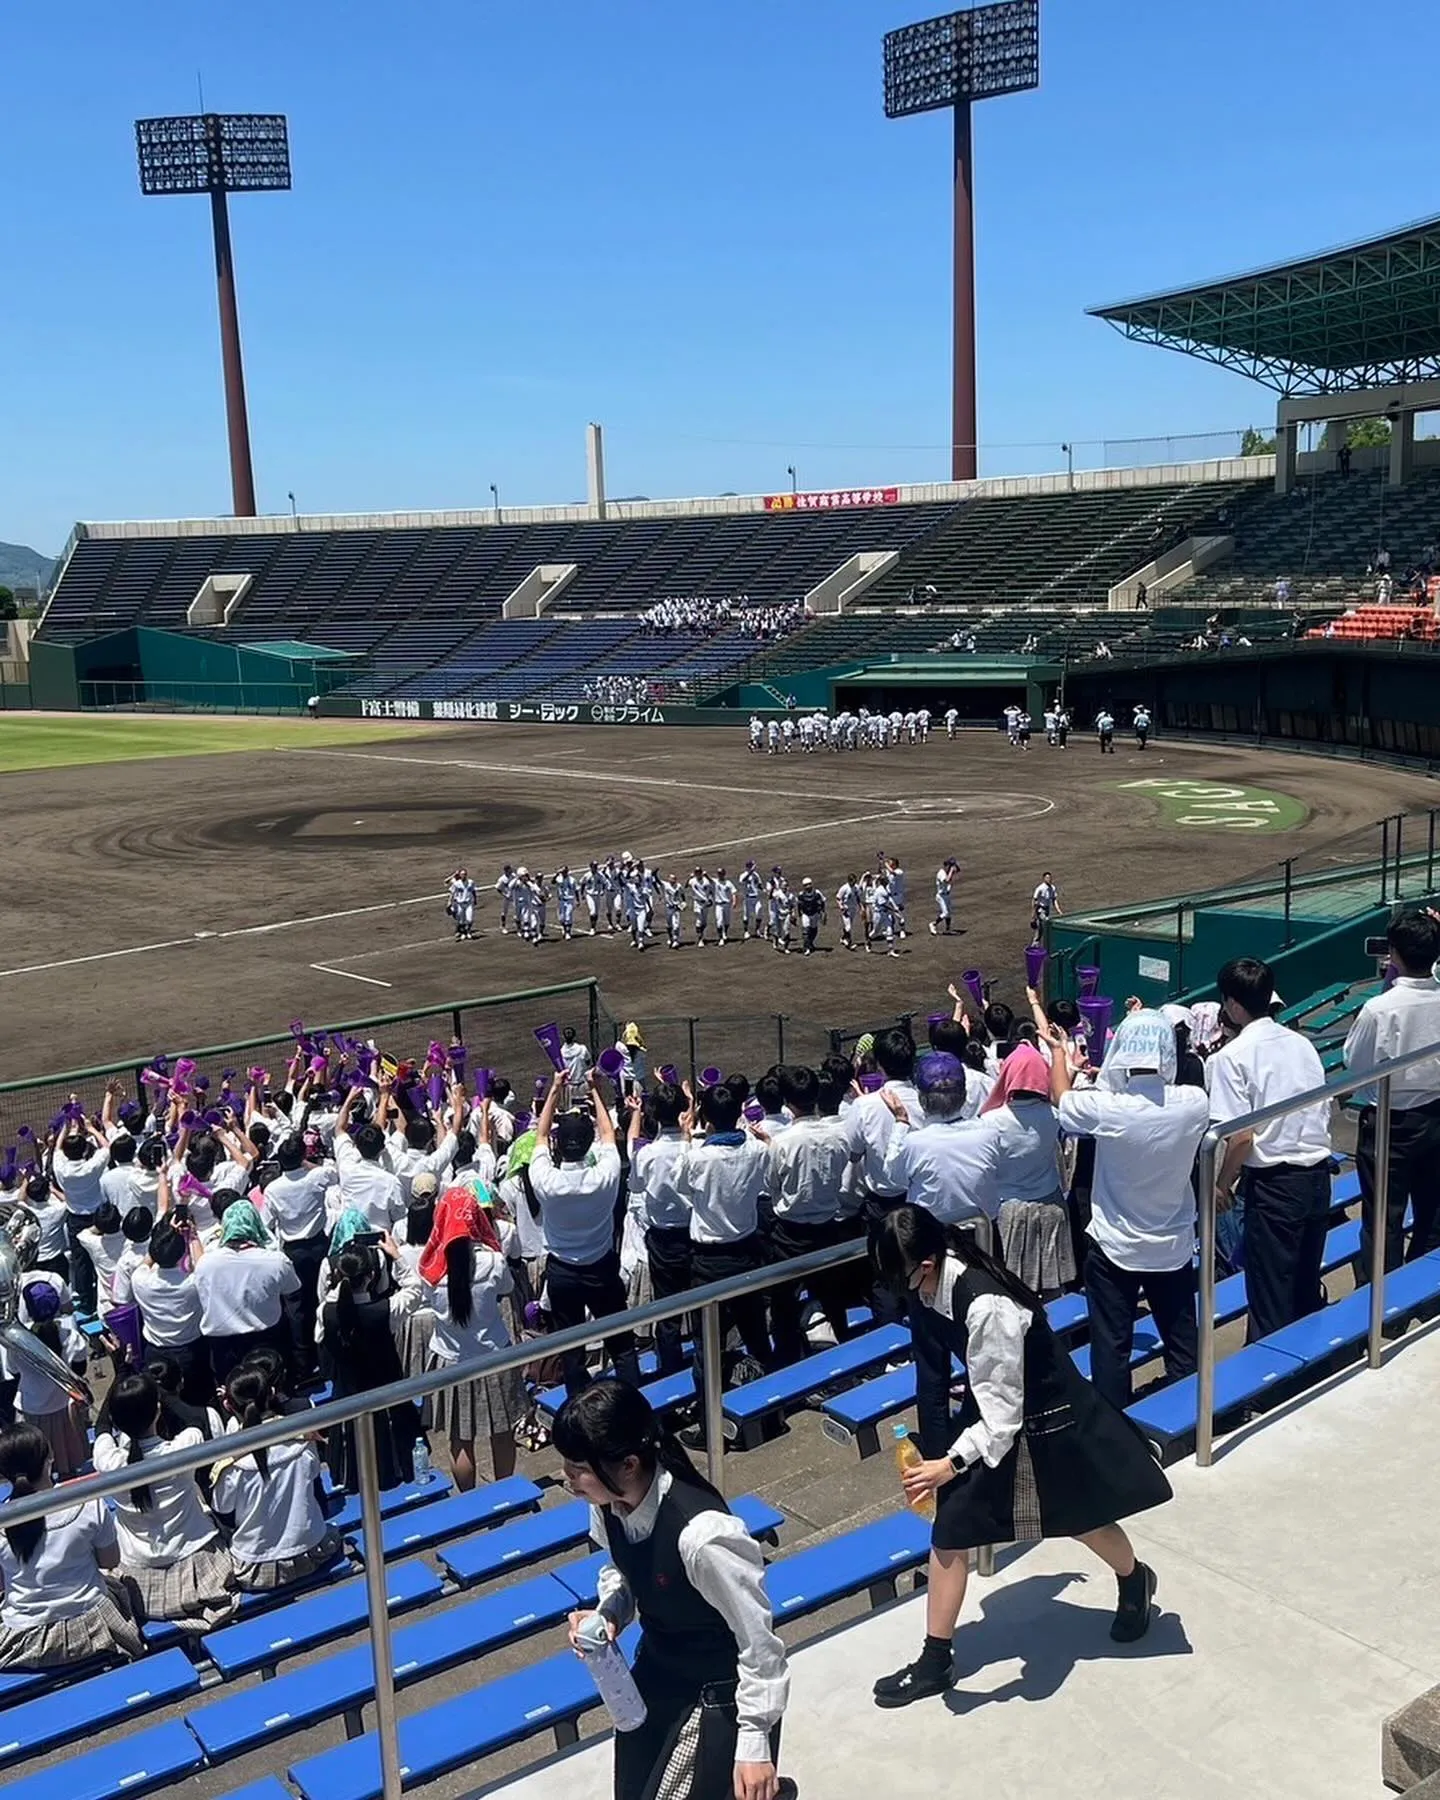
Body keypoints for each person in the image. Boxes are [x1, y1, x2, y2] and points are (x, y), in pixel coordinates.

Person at [867, 1206, 1172, 1708]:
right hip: (995, 1416)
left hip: (1049, 1416)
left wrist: (949, 1464)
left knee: (1080, 1519)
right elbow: (940, 1377)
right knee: (951, 1529)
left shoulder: (985, 1307)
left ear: (925, 1263)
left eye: (896, 1276)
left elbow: (1002, 1422)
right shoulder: (929, 1286)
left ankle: (1134, 1578)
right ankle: (935, 1660)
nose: (895, 1289)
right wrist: (934, 1450)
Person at [555, 1380, 791, 1800]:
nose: (567, 1478)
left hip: (716, 1693)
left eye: (578, 1467)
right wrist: (609, 1612)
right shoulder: (606, 1506)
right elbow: (622, 1570)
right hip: (657, 1677)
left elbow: (760, 1644)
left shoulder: (703, 1537)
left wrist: (754, 1741)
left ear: (628, 1464)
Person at [1049, 1008, 1210, 1411]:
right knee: (1181, 1341)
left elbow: (1061, 1098)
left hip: (1115, 1246)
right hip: (1170, 1244)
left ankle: (1114, 1424)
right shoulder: (1193, 1102)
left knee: (1111, 1346)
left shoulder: (1109, 1107)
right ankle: (1185, 1415)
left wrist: (1058, 1053)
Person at [1207, 958, 1331, 1338]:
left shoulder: (1233, 1056)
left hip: (1276, 1185)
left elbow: (1241, 1136)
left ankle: (1270, 1392)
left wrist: (1222, 1184)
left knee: (1270, 1297)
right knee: (1304, 1289)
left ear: (1232, 1005)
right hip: (1316, 1176)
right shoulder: (1301, 1044)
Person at [91, 1372, 238, 1633]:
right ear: (157, 1410)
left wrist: (119, 1375)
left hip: (138, 1568)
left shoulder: (108, 1462)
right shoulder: (181, 1449)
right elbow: (194, 1419)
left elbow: (102, 1427)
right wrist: (159, 1392)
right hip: (197, 1557)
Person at [529, 1069, 642, 1396]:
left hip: (563, 1272)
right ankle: (630, 1400)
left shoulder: (546, 1180)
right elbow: (608, 1135)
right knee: (621, 1342)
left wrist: (554, 1090)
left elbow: (539, 1138)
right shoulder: (605, 1175)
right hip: (601, 1266)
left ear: (559, 1146)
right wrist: (594, 1090)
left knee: (572, 1348)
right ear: (587, 1143)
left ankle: (580, 1406)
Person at [0, 1422, 145, 1670]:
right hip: (94, 1625)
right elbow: (109, 1561)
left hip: (25, 1638)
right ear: (50, 1457)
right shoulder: (88, 1503)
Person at [1344, 908, 1440, 1271]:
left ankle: (1383, 1309)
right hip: (1434, 1115)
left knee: (1383, 1220)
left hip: (1389, 1123)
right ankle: (1421, 1291)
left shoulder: (1378, 1009)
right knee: (1431, 1213)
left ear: (1395, 953)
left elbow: (1355, 1063)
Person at [677, 1079, 774, 1415]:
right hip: (746, 1253)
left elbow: (680, 1187)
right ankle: (769, 1407)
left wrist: (686, 1139)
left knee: (707, 1347)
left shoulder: (698, 1159)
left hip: (710, 1260)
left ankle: (708, 1417)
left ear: (709, 1120)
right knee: (756, 1334)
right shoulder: (757, 1150)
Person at [420, 1186, 526, 1487]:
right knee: (502, 1431)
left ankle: (470, 1499)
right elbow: (506, 1289)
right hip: (494, 1354)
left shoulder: (432, 1270)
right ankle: (504, 1491)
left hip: (451, 1359)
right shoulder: (492, 1261)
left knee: (460, 1438)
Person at [212, 1365, 342, 1591]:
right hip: (312, 1550)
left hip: (256, 1568)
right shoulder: (302, 1439)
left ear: (228, 1405)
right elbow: (312, 1473)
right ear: (272, 1393)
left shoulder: (231, 1463)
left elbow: (222, 1507)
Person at [761, 1064, 852, 1363]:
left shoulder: (783, 1142)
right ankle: (840, 1352)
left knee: (784, 1305)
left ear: (788, 1103)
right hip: (827, 1225)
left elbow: (770, 1183)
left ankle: (787, 1361)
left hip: (790, 1231)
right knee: (831, 1297)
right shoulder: (839, 1136)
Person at [321, 1236, 424, 1494]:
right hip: (386, 1392)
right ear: (372, 1275)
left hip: (347, 1394)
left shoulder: (324, 1312)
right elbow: (414, 1288)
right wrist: (396, 1255)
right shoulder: (386, 1309)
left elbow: (319, 1337)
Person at [877, 1053, 1001, 1242]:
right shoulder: (989, 1132)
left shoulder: (915, 1143)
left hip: (934, 1238)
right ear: (964, 1094)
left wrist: (901, 1122)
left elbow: (893, 1178)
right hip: (984, 1234)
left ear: (922, 1099)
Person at [843, 1027, 922, 1322]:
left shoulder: (864, 1105)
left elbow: (852, 1152)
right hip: (919, 1195)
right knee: (920, 1265)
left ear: (879, 1064)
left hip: (884, 1201)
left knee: (885, 1274)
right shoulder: (925, 1097)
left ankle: (891, 1345)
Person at [983, 1045, 1073, 1298]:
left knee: (1012, 1287)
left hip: (1009, 1210)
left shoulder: (991, 1122)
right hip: (1051, 1204)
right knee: (1053, 1282)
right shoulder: (1054, 1115)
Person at [192, 1201, 300, 1383]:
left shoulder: (205, 1263)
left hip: (223, 1346)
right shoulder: (276, 1261)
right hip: (267, 1339)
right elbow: (292, 1290)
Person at [627, 1083, 693, 1377]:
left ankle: (671, 1368)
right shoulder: (694, 1146)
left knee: (667, 1311)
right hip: (693, 1234)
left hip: (663, 1238)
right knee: (700, 1303)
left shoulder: (647, 1154)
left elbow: (637, 1187)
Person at [262, 1134, 339, 1381]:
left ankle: (303, 1362)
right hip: (318, 1246)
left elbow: (267, 1222)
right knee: (323, 1299)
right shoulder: (315, 1176)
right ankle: (326, 1354)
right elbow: (335, 1173)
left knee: (297, 1307)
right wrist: (307, 1163)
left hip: (293, 1251)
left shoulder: (273, 1188)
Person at [116, 1216, 210, 1402]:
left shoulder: (140, 1280)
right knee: (198, 1399)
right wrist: (192, 1236)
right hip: (191, 1349)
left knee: (161, 1401)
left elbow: (146, 1262)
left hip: (155, 1350)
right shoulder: (192, 1283)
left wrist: (161, 1240)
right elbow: (203, 1266)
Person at [794, 878, 826, 955]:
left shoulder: (817, 893)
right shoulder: (801, 895)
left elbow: (823, 901)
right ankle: (806, 948)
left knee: (814, 930)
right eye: (806, 885)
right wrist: (799, 915)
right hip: (806, 914)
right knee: (806, 931)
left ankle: (810, 943)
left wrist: (823, 912)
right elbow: (799, 904)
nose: (808, 886)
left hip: (815, 914)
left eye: (809, 884)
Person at [1031, 871, 1061, 945]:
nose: (1049, 879)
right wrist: (1033, 915)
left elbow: (1054, 900)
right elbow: (1034, 901)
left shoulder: (1052, 888)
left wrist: (1059, 911)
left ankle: (1036, 944)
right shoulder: (1040, 888)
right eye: (1047, 877)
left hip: (1047, 909)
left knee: (1041, 928)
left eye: (1050, 878)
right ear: (1043, 878)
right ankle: (1043, 943)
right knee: (1046, 922)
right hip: (1040, 909)